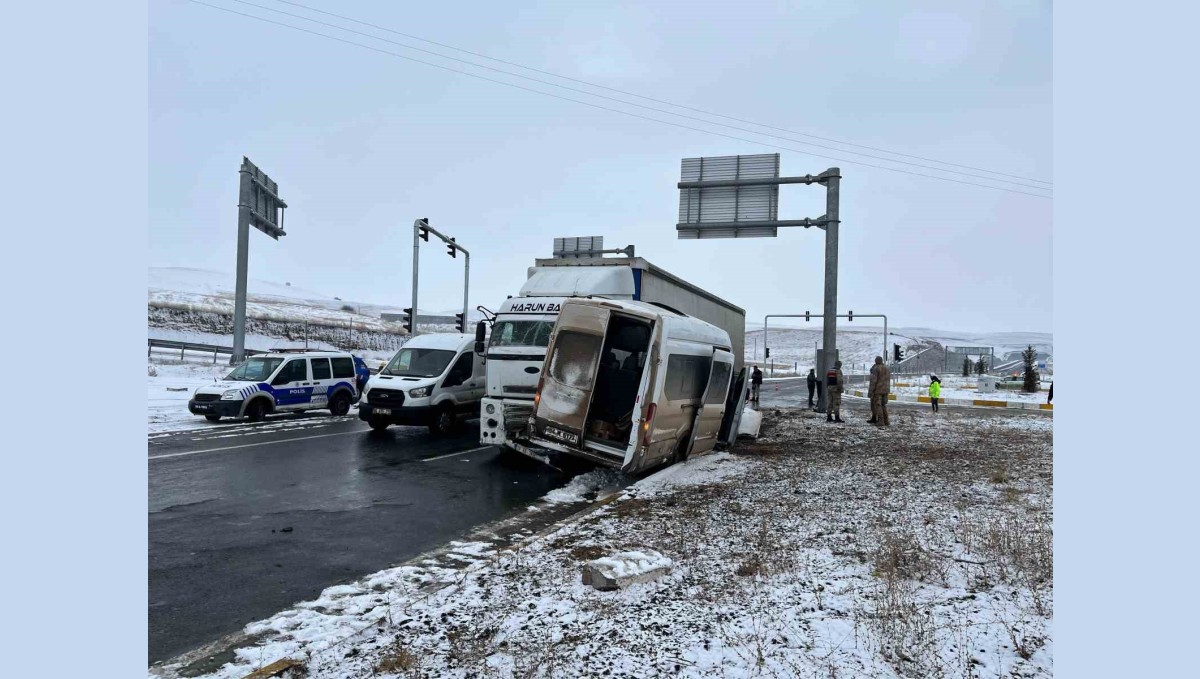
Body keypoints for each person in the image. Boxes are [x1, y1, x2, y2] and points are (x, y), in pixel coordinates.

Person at [866, 356, 891, 425]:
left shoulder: (876, 368)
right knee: (883, 405)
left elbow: (873, 381)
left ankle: (880, 421)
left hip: (878, 390)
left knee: (878, 405)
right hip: (885, 390)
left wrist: (871, 392)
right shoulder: (887, 368)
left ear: (876, 361)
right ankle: (886, 421)